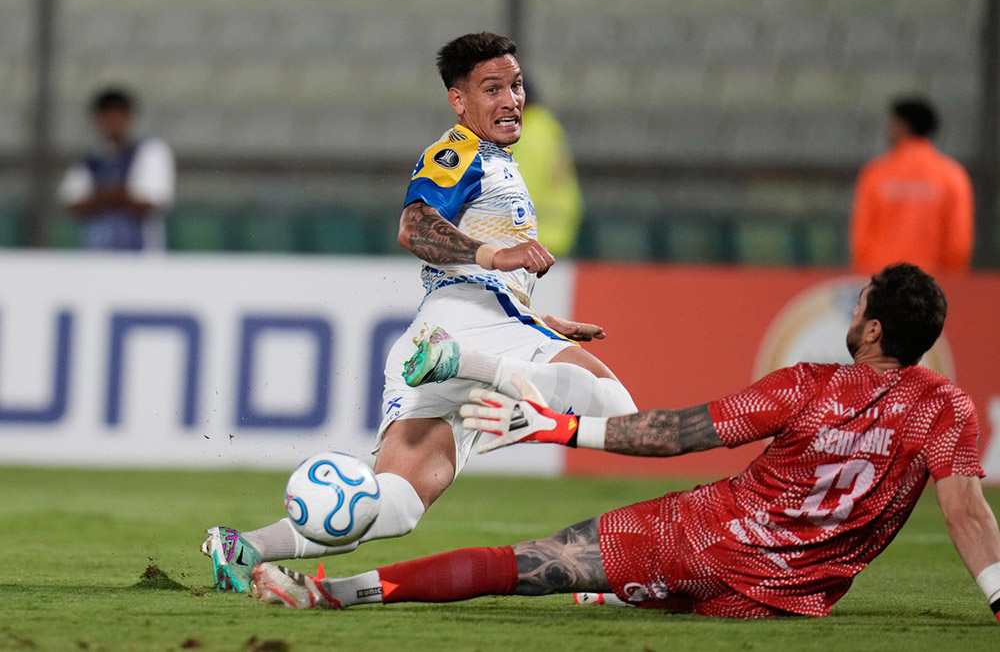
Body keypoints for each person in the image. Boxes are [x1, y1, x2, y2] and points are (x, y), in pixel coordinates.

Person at [250, 263, 1000, 622]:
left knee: (522, 564)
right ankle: (614, 585)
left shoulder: (807, 383)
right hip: (786, 597)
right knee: (641, 595)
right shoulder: (948, 409)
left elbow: (675, 434)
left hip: (696, 539)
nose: (853, 311)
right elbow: (967, 513)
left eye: (859, 305)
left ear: (873, 329)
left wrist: (562, 427)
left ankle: (329, 592)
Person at [201, 32, 636, 592]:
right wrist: (495, 255)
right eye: (492, 89)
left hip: (452, 328)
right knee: (617, 409)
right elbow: (414, 226)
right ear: (459, 100)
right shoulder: (457, 153)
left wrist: (537, 320)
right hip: (463, 329)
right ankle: (467, 365)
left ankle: (246, 547)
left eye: (516, 85)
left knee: (397, 504)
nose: (511, 99)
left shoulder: (498, 162)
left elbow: (482, 275)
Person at [850, 97, 974, 275]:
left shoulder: (876, 174)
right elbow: (958, 241)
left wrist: (868, 278)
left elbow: (861, 238)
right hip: (932, 280)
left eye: (892, 123)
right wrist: (951, 279)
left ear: (901, 125)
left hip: (883, 278)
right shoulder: (952, 175)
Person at [58, 86, 175, 251]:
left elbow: (149, 203)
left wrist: (100, 198)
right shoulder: (88, 160)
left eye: (117, 116)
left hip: (140, 257)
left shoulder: (149, 151)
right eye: (106, 117)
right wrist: (120, 196)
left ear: (129, 117)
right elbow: (73, 205)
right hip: (95, 256)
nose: (112, 123)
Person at [514, 82, 583, 258]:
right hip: (553, 234)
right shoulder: (544, 127)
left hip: (533, 238)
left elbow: (522, 188)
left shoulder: (529, 135)